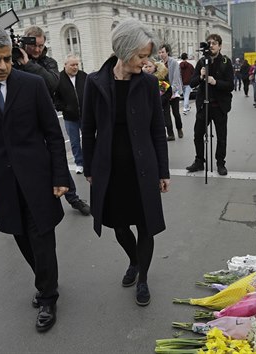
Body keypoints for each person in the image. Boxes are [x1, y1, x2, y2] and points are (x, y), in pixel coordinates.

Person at [0, 26, 69, 332]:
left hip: (39, 179)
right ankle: (46, 280)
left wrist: (61, 175)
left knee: (43, 240)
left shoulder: (32, 85)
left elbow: (52, 133)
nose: (3, 66)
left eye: (7, 58)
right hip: (4, 184)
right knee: (21, 238)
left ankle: (49, 296)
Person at [82, 18, 170, 307]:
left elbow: (158, 128)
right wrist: (90, 167)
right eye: (142, 56)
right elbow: (87, 129)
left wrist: (164, 171)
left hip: (143, 170)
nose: (147, 62)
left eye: (149, 56)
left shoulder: (147, 83)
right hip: (111, 170)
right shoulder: (94, 83)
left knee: (145, 226)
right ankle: (133, 260)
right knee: (119, 226)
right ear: (124, 49)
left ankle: (142, 277)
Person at [17, 26, 90, 216]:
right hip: (21, 120)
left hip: (43, 118)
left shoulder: (48, 62)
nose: (38, 49)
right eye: (34, 45)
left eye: (41, 45)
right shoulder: (12, 61)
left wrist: (28, 64)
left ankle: (73, 198)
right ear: (25, 42)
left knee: (56, 158)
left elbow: (51, 83)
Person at [185, 34, 234, 176]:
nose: (211, 45)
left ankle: (220, 163)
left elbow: (230, 85)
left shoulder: (226, 62)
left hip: (219, 106)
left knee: (221, 136)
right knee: (198, 134)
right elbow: (192, 83)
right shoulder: (201, 62)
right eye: (209, 43)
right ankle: (199, 161)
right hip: (203, 105)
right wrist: (200, 76)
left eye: (214, 43)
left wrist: (215, 82)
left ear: (220, 46)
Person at [54, 54, 86, 175]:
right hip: (70, 117)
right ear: (65, 65)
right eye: (72, 65)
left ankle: (89, 161)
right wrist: (64, 108)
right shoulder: (58, 78)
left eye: (77, 64)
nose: (75, 67)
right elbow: (56, 98)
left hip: (84, 115)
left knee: (88, 139)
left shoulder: (84, 76)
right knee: (74, 141)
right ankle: (79, 163)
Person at [158, 44, 183, 140]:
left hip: (174, 91)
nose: (161, 54)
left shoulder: (174, 63)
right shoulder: (159, 64)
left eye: (163, 52)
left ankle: (179, 128)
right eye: (159, 52)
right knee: (166, 114)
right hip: (164, 92)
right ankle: (170, 134)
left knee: (176, 113)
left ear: (167, 52)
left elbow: (176, 79)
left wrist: (171, 91)